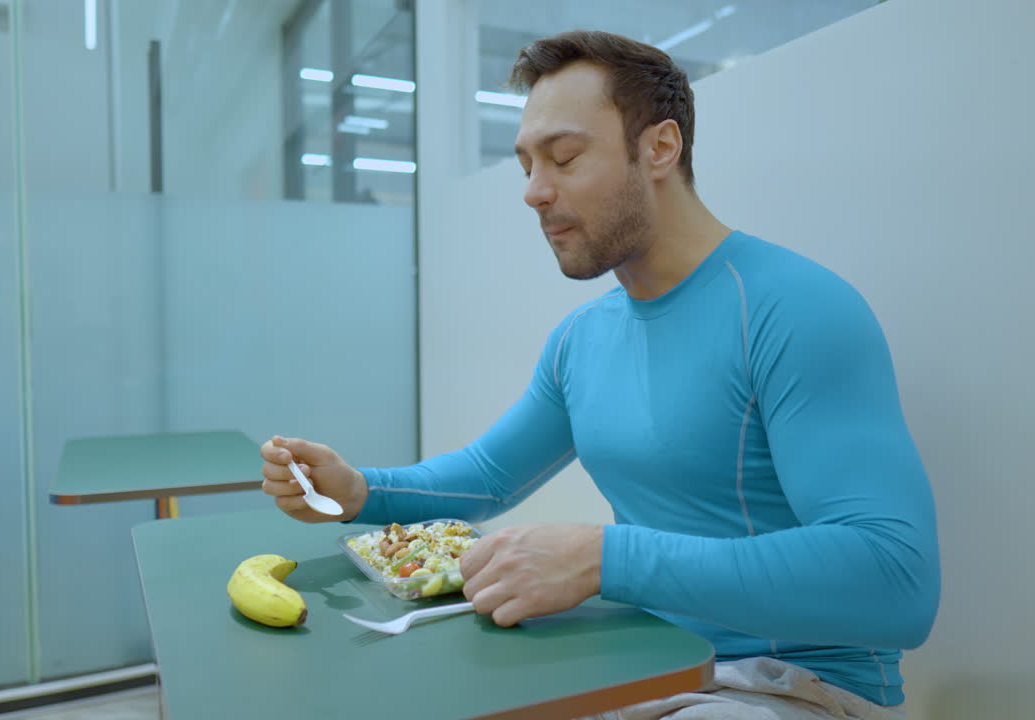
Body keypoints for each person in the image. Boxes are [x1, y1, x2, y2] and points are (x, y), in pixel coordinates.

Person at [261, 30, 939, 720]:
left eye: (563, 158)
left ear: (660, 148)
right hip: (641, 668)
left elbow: (897, 581)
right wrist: (361, 490)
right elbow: (488, 476)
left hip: (790, 688)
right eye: (527, 165)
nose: (534, 192)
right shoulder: (582, 339)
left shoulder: (793, 308)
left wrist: (602, 560)